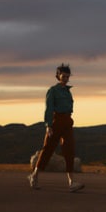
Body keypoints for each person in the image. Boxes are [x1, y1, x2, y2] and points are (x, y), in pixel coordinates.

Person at [27, 63, 85, 192]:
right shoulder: (52, 91)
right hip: (56, 121)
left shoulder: (68, 91)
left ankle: (71, 182)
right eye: (63, 76)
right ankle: (34, 176)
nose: (66, 79)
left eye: (67, 76)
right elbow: (49, 109)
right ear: (58, 76)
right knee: (48, 149)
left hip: (67, 121)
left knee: (70, 149)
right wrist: (48, 125)